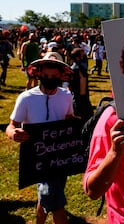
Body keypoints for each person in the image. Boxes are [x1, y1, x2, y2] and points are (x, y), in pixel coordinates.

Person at [5, 52, 74, 224]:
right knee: (56, 203)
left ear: (60, 75)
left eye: (53, 76)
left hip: (59, 157)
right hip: (37, 158)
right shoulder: (26, 98)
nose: (49, 78)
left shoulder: (66, 96)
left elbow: (69, 119)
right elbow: (11, 125)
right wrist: (13, 133)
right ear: (39, 74)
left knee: (48, 195)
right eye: (45, 76)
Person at [68, 48, 93, 123]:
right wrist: (83, 97)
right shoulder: (79, 69)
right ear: (77, 57)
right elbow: (82, 85)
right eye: (82, 55)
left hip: (76, 97)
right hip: (81, 98)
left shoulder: (72, 69)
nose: (84, 56)